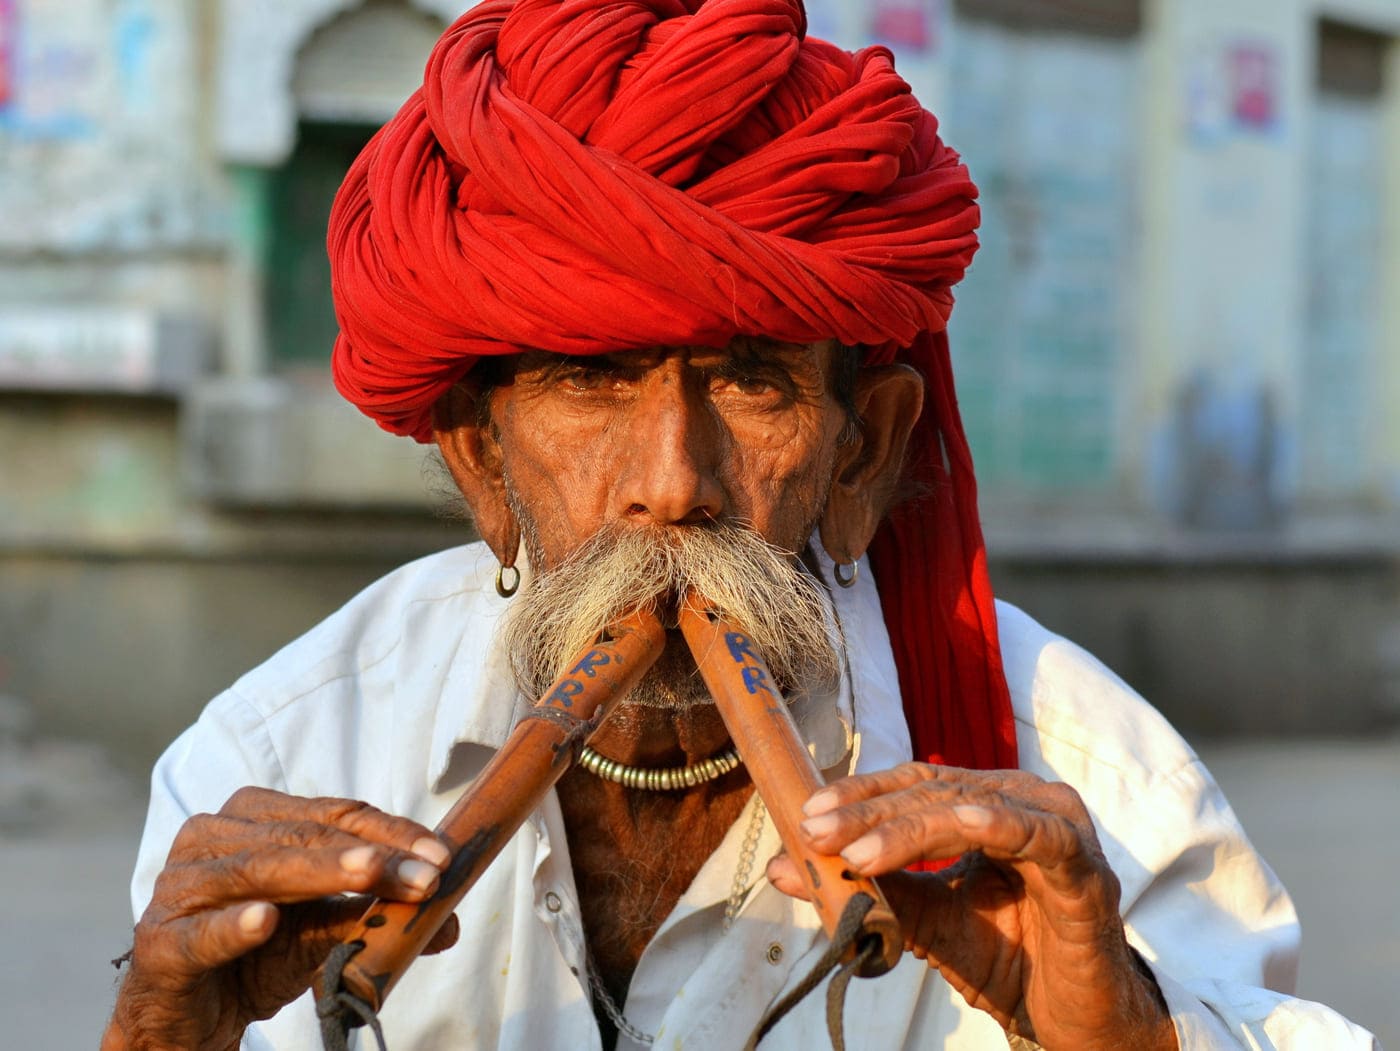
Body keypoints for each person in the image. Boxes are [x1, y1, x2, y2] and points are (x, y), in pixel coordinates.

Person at [104, 1, 1379, 1049]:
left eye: (749, 380)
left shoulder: (1089, 785)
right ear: (480, 463)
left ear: (859, 452)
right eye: (589, 382)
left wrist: (1126, 1037)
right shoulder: (286, 747)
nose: (671, 483)